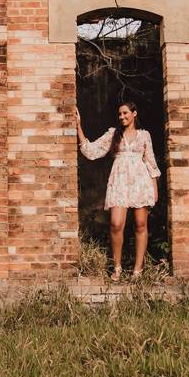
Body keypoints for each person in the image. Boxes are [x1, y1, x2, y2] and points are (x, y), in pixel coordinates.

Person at [76, 102, 161, 281]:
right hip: (120, 181)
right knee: (116, 224)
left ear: (134, 114)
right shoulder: (113, 134)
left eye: (125, 113)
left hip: (140, 181)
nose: (122, 117)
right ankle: (117, 267)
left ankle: (138, 270)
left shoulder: (144, 135)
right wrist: (78, 126)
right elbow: (93, 151)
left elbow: (151, 162)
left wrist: (154, 188)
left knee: (140, 224)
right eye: (120, 114)